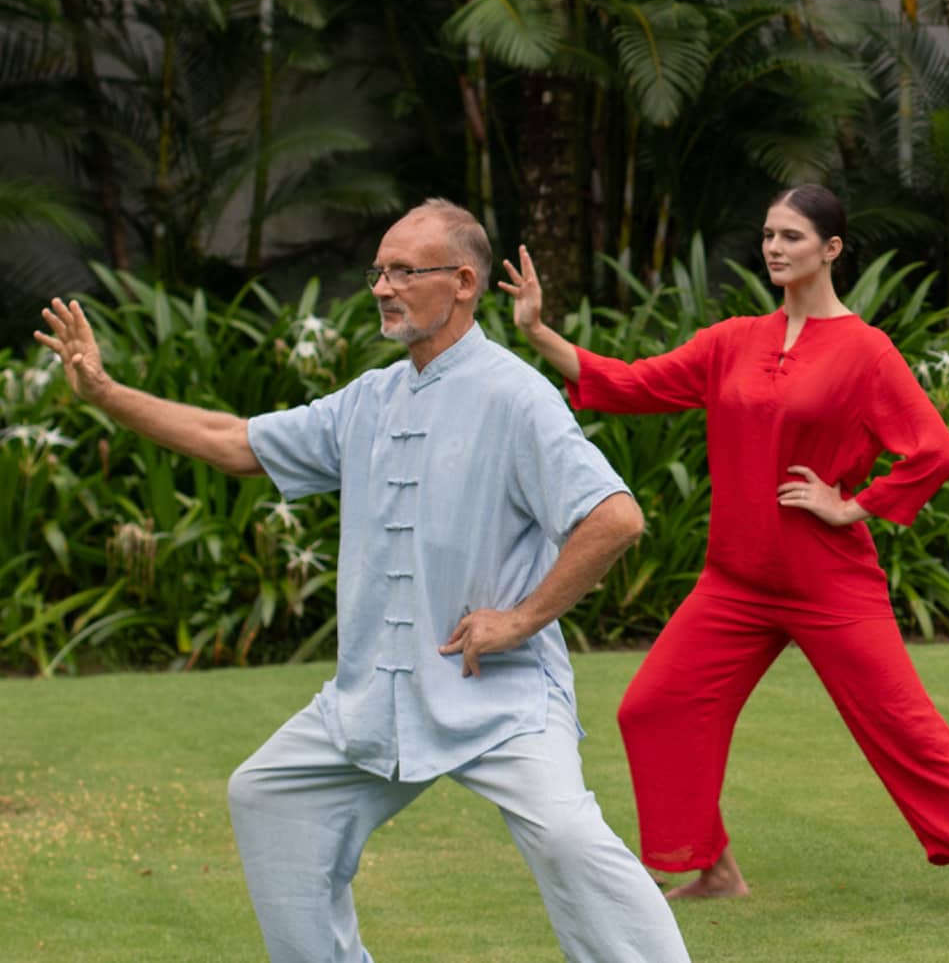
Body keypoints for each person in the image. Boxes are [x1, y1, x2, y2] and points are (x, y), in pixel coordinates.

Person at [35, 198, 694, 963]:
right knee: (269, 796)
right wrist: (106, 394)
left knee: (568, 838)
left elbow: (615, 517)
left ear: (463, 282)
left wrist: (518, 620)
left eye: (403, 272)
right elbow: (235, 443)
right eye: (378, 271)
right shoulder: (370, 399)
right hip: (375, 698)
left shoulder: (516, 395)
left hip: (500, 696)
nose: (381, 287)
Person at [502, 184, 949, 939]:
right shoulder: (733, 340)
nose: (773, 247)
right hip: (734, 582)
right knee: (651, 709)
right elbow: (633, 382)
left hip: (830, 585)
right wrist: (538, 331)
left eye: (791, 236)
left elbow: (934, 451)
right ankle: (715, 868)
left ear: (830, 249)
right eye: (768, 234)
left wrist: (851, 504)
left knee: (907, 730)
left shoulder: (865, 352)